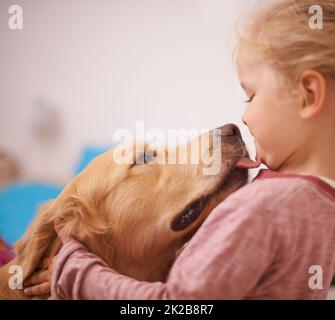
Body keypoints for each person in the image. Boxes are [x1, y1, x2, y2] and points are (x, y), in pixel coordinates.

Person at [24, 0, 335, 299]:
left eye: (250, 96)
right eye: (146, 159)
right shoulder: (321, 207)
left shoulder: (262, 205)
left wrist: (76, 272)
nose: (240, 119)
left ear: (307, 95)